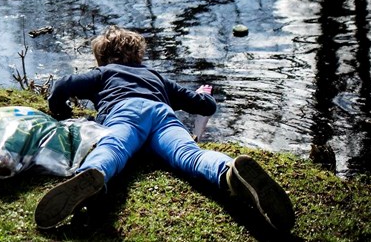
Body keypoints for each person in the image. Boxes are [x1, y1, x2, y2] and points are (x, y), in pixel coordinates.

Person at [35, 26, 295, 233]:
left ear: (102, 58)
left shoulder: (104, 73)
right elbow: (202, 105)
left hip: (125, 113)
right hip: (162, 115)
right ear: (138, 55)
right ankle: (229, 172)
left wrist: (60, 110)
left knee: (113, 148)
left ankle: (93, 174)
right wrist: (207, 99)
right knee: (190, 154)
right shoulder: (156, 77)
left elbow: (63, 85)